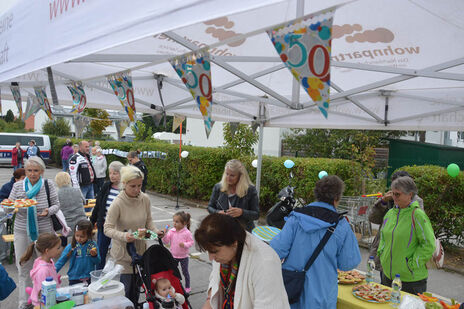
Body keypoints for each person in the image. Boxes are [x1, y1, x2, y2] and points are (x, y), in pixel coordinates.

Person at [270, 175, 361, 308]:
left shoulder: (296, 217)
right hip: (323, 295)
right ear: (337, 198)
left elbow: (276, 250)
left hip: (292, 291)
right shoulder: (341, 225)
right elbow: (348, 264)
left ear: (316, 194)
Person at [195, 213, 290, 309]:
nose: (211, 258)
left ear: (234, 242)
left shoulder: (265, 262)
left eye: (214, 252)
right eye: (209, 251)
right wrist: (210, 299)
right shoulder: (224, 249)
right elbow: (215, 281)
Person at [104, 165, 164, 305]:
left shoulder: (145, 199)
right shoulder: (117, 203)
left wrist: (156, 232)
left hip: (141, 252)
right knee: (126, 293)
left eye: (140, 185)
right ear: (124, 184)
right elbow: (107, 228)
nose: (137, 190)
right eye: (133, 186)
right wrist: (124, 236)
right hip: (123, 256)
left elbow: (149, 220)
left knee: (137, 290)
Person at [8, 156, 61, 309]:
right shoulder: (18, 186)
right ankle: (24, 303)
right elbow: (8, 207)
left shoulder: (47, 184)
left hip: (44, 230)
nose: (32, 174)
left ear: (42, 171)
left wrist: (48, 211)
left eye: (36, 171)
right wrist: (11, 205)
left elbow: (57, 205)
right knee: (23, 266)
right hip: (21, 229)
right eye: (29, 170)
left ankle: (47, 299)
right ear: (25, 171)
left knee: (46, 266)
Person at [378, 176, 435, 295]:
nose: (393, 197)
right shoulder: (390, 213)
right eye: (392, 193)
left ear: (410, 194)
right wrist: (382, 254)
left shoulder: (418, 215)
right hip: (388, 276)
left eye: (397, 194)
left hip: (411, 280)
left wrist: (413, 264)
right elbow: (383, 237)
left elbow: (428, 244)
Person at [369, 170, 424, 278]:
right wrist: (383, 202)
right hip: (386, 255)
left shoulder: (417, 203)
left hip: (405, 257)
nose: (394, 194)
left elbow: (423, 236)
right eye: (393, 187)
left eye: (398, 190)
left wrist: (413, 263)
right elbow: (373, 218)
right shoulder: (390, 199)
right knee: (385, 288)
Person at [207, 159, 259, 232]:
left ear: (240, 176)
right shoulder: (218, 187)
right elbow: (209, 207)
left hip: (243, 231)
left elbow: (256, 214)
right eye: (227, 174)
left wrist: (242, 212)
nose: (228, 178)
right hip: (222, 230)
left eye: (232, 175)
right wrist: (218, 213)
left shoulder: (250, 190)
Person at [90, 161, 124, 270]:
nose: (112, 176)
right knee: (101, 251)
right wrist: (92, 221)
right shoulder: (106, 186)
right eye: (110, 173)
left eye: (115, 173)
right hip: (105, 225)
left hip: (120, 227)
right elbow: (98, 205)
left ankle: (123, 274)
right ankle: (99, 274)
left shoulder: (125, 189)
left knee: (121, 252)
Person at [19, 233, 61, 308]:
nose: (59, 250)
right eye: (57, 248)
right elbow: (41, 292)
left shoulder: (48, 261)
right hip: (44, 304)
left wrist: (56, 281)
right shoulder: (43, 270)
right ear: (47, 251)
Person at [56, 220, 100, 285]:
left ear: (89, 235)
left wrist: (94, 256)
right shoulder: (71, 246)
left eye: (82, 236)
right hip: (74, 279)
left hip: (89, 278)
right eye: (77, 235)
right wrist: (51, 272)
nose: (79, 239)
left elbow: (98, 261)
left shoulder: (93, 246)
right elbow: (61, 261)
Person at [163, 211, 194, 293]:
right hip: (173, 256)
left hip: (184, 257)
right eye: (174, 221)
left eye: (177, 222)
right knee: (173, 273)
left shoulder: (187, 232)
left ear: (184, 223)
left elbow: (191, 242)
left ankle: (187, 286)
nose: (174, 223)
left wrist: (184, 244)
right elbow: (166, 242)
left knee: (185, 272)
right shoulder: (171, 231)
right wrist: (164, 234)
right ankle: (174, 286)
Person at [55, 172, 87, 247]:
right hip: (81, 222)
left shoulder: (57, 194)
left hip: (66, 225)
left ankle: (63, 247)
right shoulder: (77, 190)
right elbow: (84, 202)